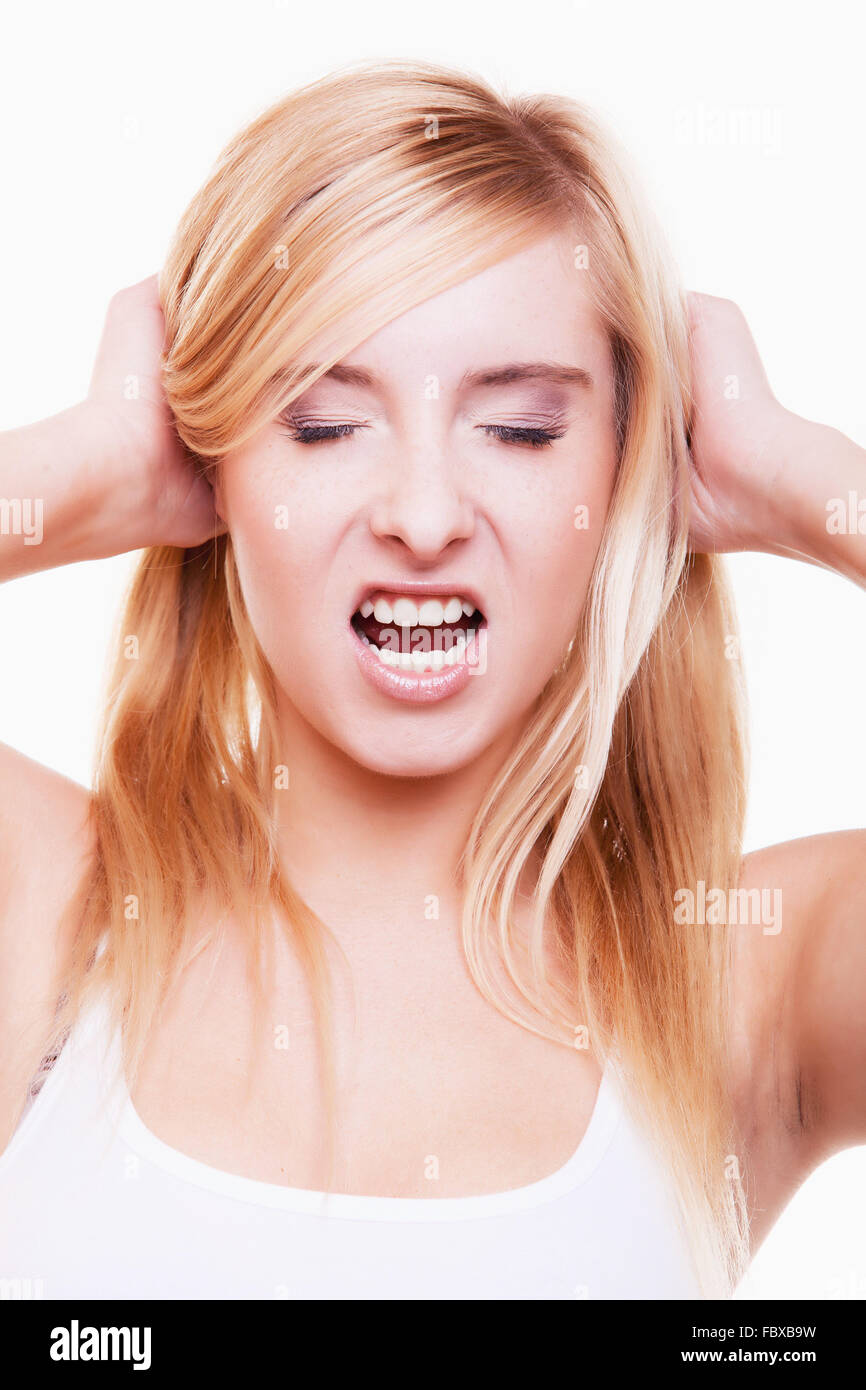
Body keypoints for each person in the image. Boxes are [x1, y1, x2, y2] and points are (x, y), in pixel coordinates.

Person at [0, 59, 863, 1301]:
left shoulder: (745, 982)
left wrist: (800, 481)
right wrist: (79, 470)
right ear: (213, 461)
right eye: (318, 423)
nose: (420, 514)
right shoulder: (49, 917)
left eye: (517, 428)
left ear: (621, 474)